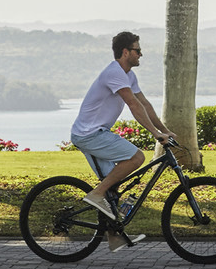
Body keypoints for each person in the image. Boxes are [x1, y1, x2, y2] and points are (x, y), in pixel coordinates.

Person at [72, 30, 173, 247]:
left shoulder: (128, 75)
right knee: (137, 158)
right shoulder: (114, 73)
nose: (141, 54)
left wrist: (165, 130)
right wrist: (155, 134)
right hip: (89, 134)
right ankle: (96, 193)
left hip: (97, 133)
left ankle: (114, 237)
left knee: (114, 186)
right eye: (138, 50)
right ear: (125, 52)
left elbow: (145, 104)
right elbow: (133, 105)